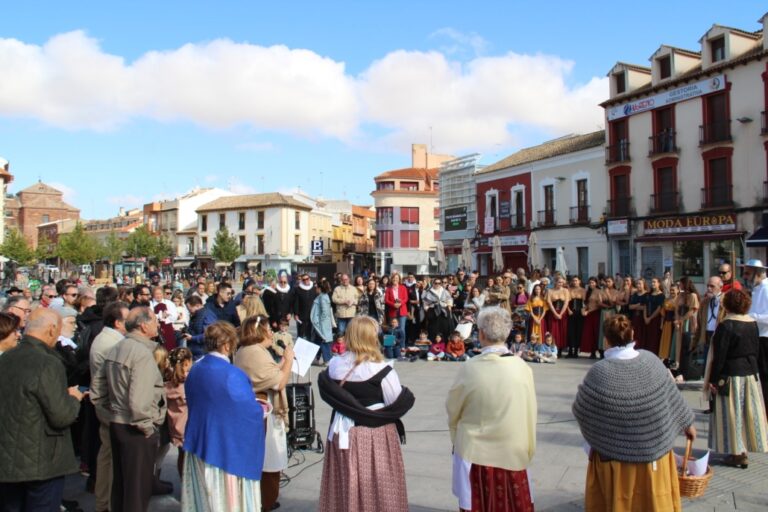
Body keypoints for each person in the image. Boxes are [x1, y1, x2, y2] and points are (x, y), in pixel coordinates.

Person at [572, 314, 696, 511]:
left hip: (614, 460)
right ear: (632, 334)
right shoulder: (652, 360)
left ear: (606, 339)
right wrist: (687, 424)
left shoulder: (599, 371)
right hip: (654, 454)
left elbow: (581, 410)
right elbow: (672, 395)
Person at [317, 316, 415, 512]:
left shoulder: (335, 365)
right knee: (378, 481)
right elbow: (395, 401)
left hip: (341, 431)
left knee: (345, 478)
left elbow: (328, 390)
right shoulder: (381, 369)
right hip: (374, 434)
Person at [447, 306, 536, 511]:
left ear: (482, 334)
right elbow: (530, 412)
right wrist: (528, 448)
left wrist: (456, 438)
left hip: (476, 453)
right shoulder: (522, 367)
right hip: (513, 449)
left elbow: (453, 409)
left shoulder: (470, 368)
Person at [0, 308, 84, 510]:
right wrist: (74, 398)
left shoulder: (6, 358)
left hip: (8, 458)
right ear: (52, 329)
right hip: (42, 461)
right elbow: (62, 416)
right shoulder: (48, 362)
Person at [182, 321, 266, 511]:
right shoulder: (232, 375)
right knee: (225, 502)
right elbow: (249, 411)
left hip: (199, 441)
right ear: (227, 345)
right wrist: (261, 408)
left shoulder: (195, 368)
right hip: (224, 450)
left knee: (201, 500)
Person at [93, 307, 167, 512]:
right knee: (136, 491)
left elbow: (98, 388)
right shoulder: (141, 353)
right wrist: (147, 426)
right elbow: (139, 399)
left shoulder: (118, 347)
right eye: (154, 320)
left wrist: (108, 414)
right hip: (135, 427)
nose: (157, 324)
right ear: (143, 325)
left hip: (119, 421)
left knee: (122, 486)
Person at [705, 288, 768, 469]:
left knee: (732, 414)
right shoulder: (752, 323)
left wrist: (713, 379)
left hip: (731, 375)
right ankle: (744, 451)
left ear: (728, 304)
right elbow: (755, 349)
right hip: (749, 373)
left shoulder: (726, 325)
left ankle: (736, 453)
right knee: (746, 413)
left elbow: (720, 355)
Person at [89, 301, 129, 512]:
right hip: (111, 406)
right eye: (127, 319)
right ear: (117, 322)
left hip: (106, 403)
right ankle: (107, 503)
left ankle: (103, 502)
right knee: (111, 459)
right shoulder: (112, 343)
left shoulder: (108, 338)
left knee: (107, 457)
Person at [164, 347, 193, 477]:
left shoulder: (168, 383)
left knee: (181, 456)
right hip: (188, 426)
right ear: (187, 362)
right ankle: (189, 487)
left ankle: (183, 483)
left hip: (175, 425)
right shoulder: (187, 384)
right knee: (191, 459)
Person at [746, 259, 768, 413]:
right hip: (757, 336)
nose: (746, 276)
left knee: (765, 374)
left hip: (765, 336)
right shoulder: (757, 288)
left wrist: (751, 316)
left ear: (757, 273)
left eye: (748, 273)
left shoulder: (766, 289)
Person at [311, 280, 335, 365]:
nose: (315, 289)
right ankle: (316, 358)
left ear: (319, 288)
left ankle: (327, 359)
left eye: (316, 287)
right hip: (323, 323)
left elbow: (324, 312)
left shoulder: (322, 297)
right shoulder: (324, 296)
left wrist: (320, 323)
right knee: (318, 340)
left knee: (323, 340)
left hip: (322, 324)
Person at [546, 276, 570, 358]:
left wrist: (561, 314)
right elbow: (549, 303)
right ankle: (553, 348)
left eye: (562, 282)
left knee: (562, 331)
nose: (561, 284)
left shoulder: (566, 291)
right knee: (554, 331)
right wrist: (555, 313)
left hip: (563, 313)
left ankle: (560, 350)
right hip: (553, 313)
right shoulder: (550, 291)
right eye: (559, 282)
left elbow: (566, 303)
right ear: (555, 282)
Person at [580, 277, 602, 359]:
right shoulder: (588, 292)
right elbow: (585, 303)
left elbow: (599, 305)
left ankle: (600, 351)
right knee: (589, 333)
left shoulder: (599, 291)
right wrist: (584, 310)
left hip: (596, 314)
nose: (591, 284)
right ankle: (592, 352)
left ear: (596, 283)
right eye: (590, 283)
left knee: (597, 332)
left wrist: (588, 311)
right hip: (588, 314)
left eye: (593, 282)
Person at [385, 273, 409, 344]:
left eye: (397, 278)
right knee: (391, 328)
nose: (395, 279)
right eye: (394, 278)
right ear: (391, 279)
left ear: (399, 279)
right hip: (393, 310)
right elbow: (386, 300)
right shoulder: (388, 288)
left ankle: (402, 347)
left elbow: (406, 298)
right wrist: (393, 305)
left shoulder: (403, 287)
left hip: (402, 310)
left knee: (402, 329)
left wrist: (400, 303)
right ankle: (389, 345)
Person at [643, 277, 665, 356]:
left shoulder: (661, 295)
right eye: (652, 282)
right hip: (647, 319)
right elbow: (645, 306)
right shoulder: (648, 294)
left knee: (654, 338)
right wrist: (645, 317)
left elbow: (659, 309)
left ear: (659, 283)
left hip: (655, 319)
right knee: (647, 338)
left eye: (654, 282)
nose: (652, 284)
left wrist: (650, 318)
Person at [294, 273, 317, 341]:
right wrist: (296, 314)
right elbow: (296, 302)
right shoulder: (298, 289)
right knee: (301, 333)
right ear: (302, 280)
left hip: (312, 314)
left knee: (310, 333)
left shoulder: (314, 288)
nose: (306, 280)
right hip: (302, 315)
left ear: (309, 279)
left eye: (307, 279)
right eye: (304, 279)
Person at [567, 276, 585, 358]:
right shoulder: (569, 290)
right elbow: (566, 302)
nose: (575, 282)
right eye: (573, 280)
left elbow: (585, 302)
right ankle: (570, 350)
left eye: (576, 280)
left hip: (579, 312)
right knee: (570, 331)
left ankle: (576, 351)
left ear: (579, 281)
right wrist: (568, 310)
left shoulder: (583, 290)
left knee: (578, 331)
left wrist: (583, 310)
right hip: (571, 311)